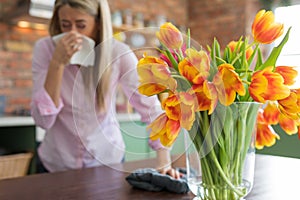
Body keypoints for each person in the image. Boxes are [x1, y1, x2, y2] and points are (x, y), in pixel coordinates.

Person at [31, 0, 180, 178]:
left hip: (106, 163)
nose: (72, 33)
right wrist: (57, 63)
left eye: (81, 25)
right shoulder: (45, 49)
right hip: (56, 164)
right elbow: (43, 121)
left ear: (99, 23)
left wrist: (164, 162)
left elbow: (150, 108)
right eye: (65, 24)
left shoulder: (118, 53)